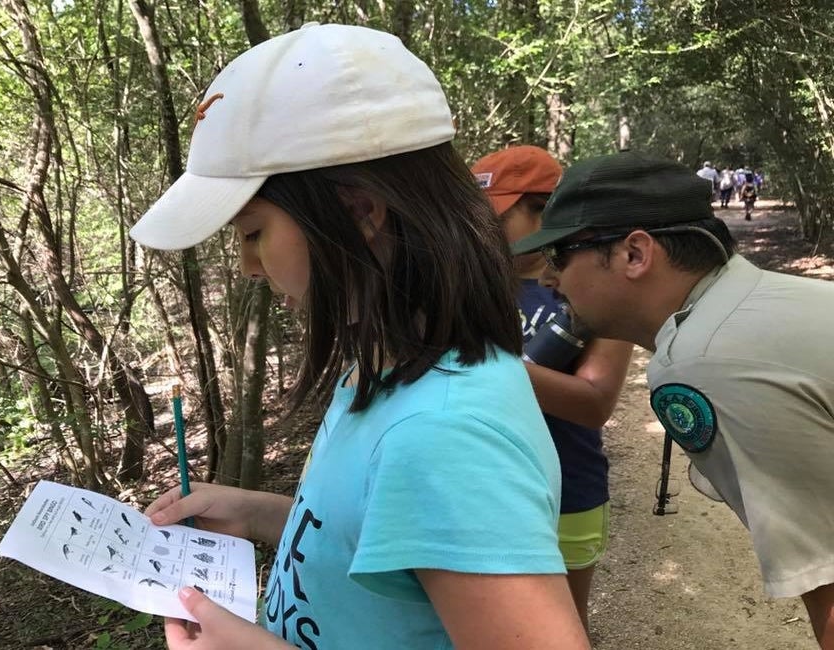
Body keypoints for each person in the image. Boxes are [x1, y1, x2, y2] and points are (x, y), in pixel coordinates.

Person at [130, 23, 590, 650]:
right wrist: (256, 511)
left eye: (251, 231)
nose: (246, 265)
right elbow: (386, 543)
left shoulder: (444, 434)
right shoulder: (390, 368)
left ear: (359, 211)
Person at [511, 151, 834, 649]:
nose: (550, 277)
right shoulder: (756, 302)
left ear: (634, 254)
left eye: (560, 256)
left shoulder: (706, 360)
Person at [471, 145, 632, 631]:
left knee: (561, 629)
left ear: (547, 211)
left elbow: (594, 402)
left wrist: (481, 364)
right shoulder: (470, 284)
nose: (485, 230)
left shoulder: (599, 283)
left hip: (567, 489)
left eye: (498, 216)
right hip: (483, 485)